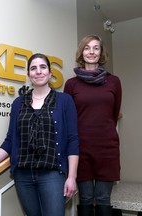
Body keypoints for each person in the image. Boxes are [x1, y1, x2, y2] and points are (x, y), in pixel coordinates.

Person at [0, 53, 79, 216]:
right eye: (33, 68)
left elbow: (72, 140)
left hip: (52, 174)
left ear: (50, 73)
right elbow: (10, 141)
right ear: (29, 75)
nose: (38, 71)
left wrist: (72, 176)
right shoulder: (18, 103)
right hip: (23, 175)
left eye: (43, 67)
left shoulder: (64, 101)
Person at [64, 35, 122, 216]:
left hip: (107, 148)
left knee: (104, 199)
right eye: (87, 48)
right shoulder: (71, 84)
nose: (91, 52)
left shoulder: (114, 82)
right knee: (86, 199)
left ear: (101, 52)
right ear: (82, 52)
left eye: (96, 48)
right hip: (81, 149)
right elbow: (69, 119)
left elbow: (113, 114)